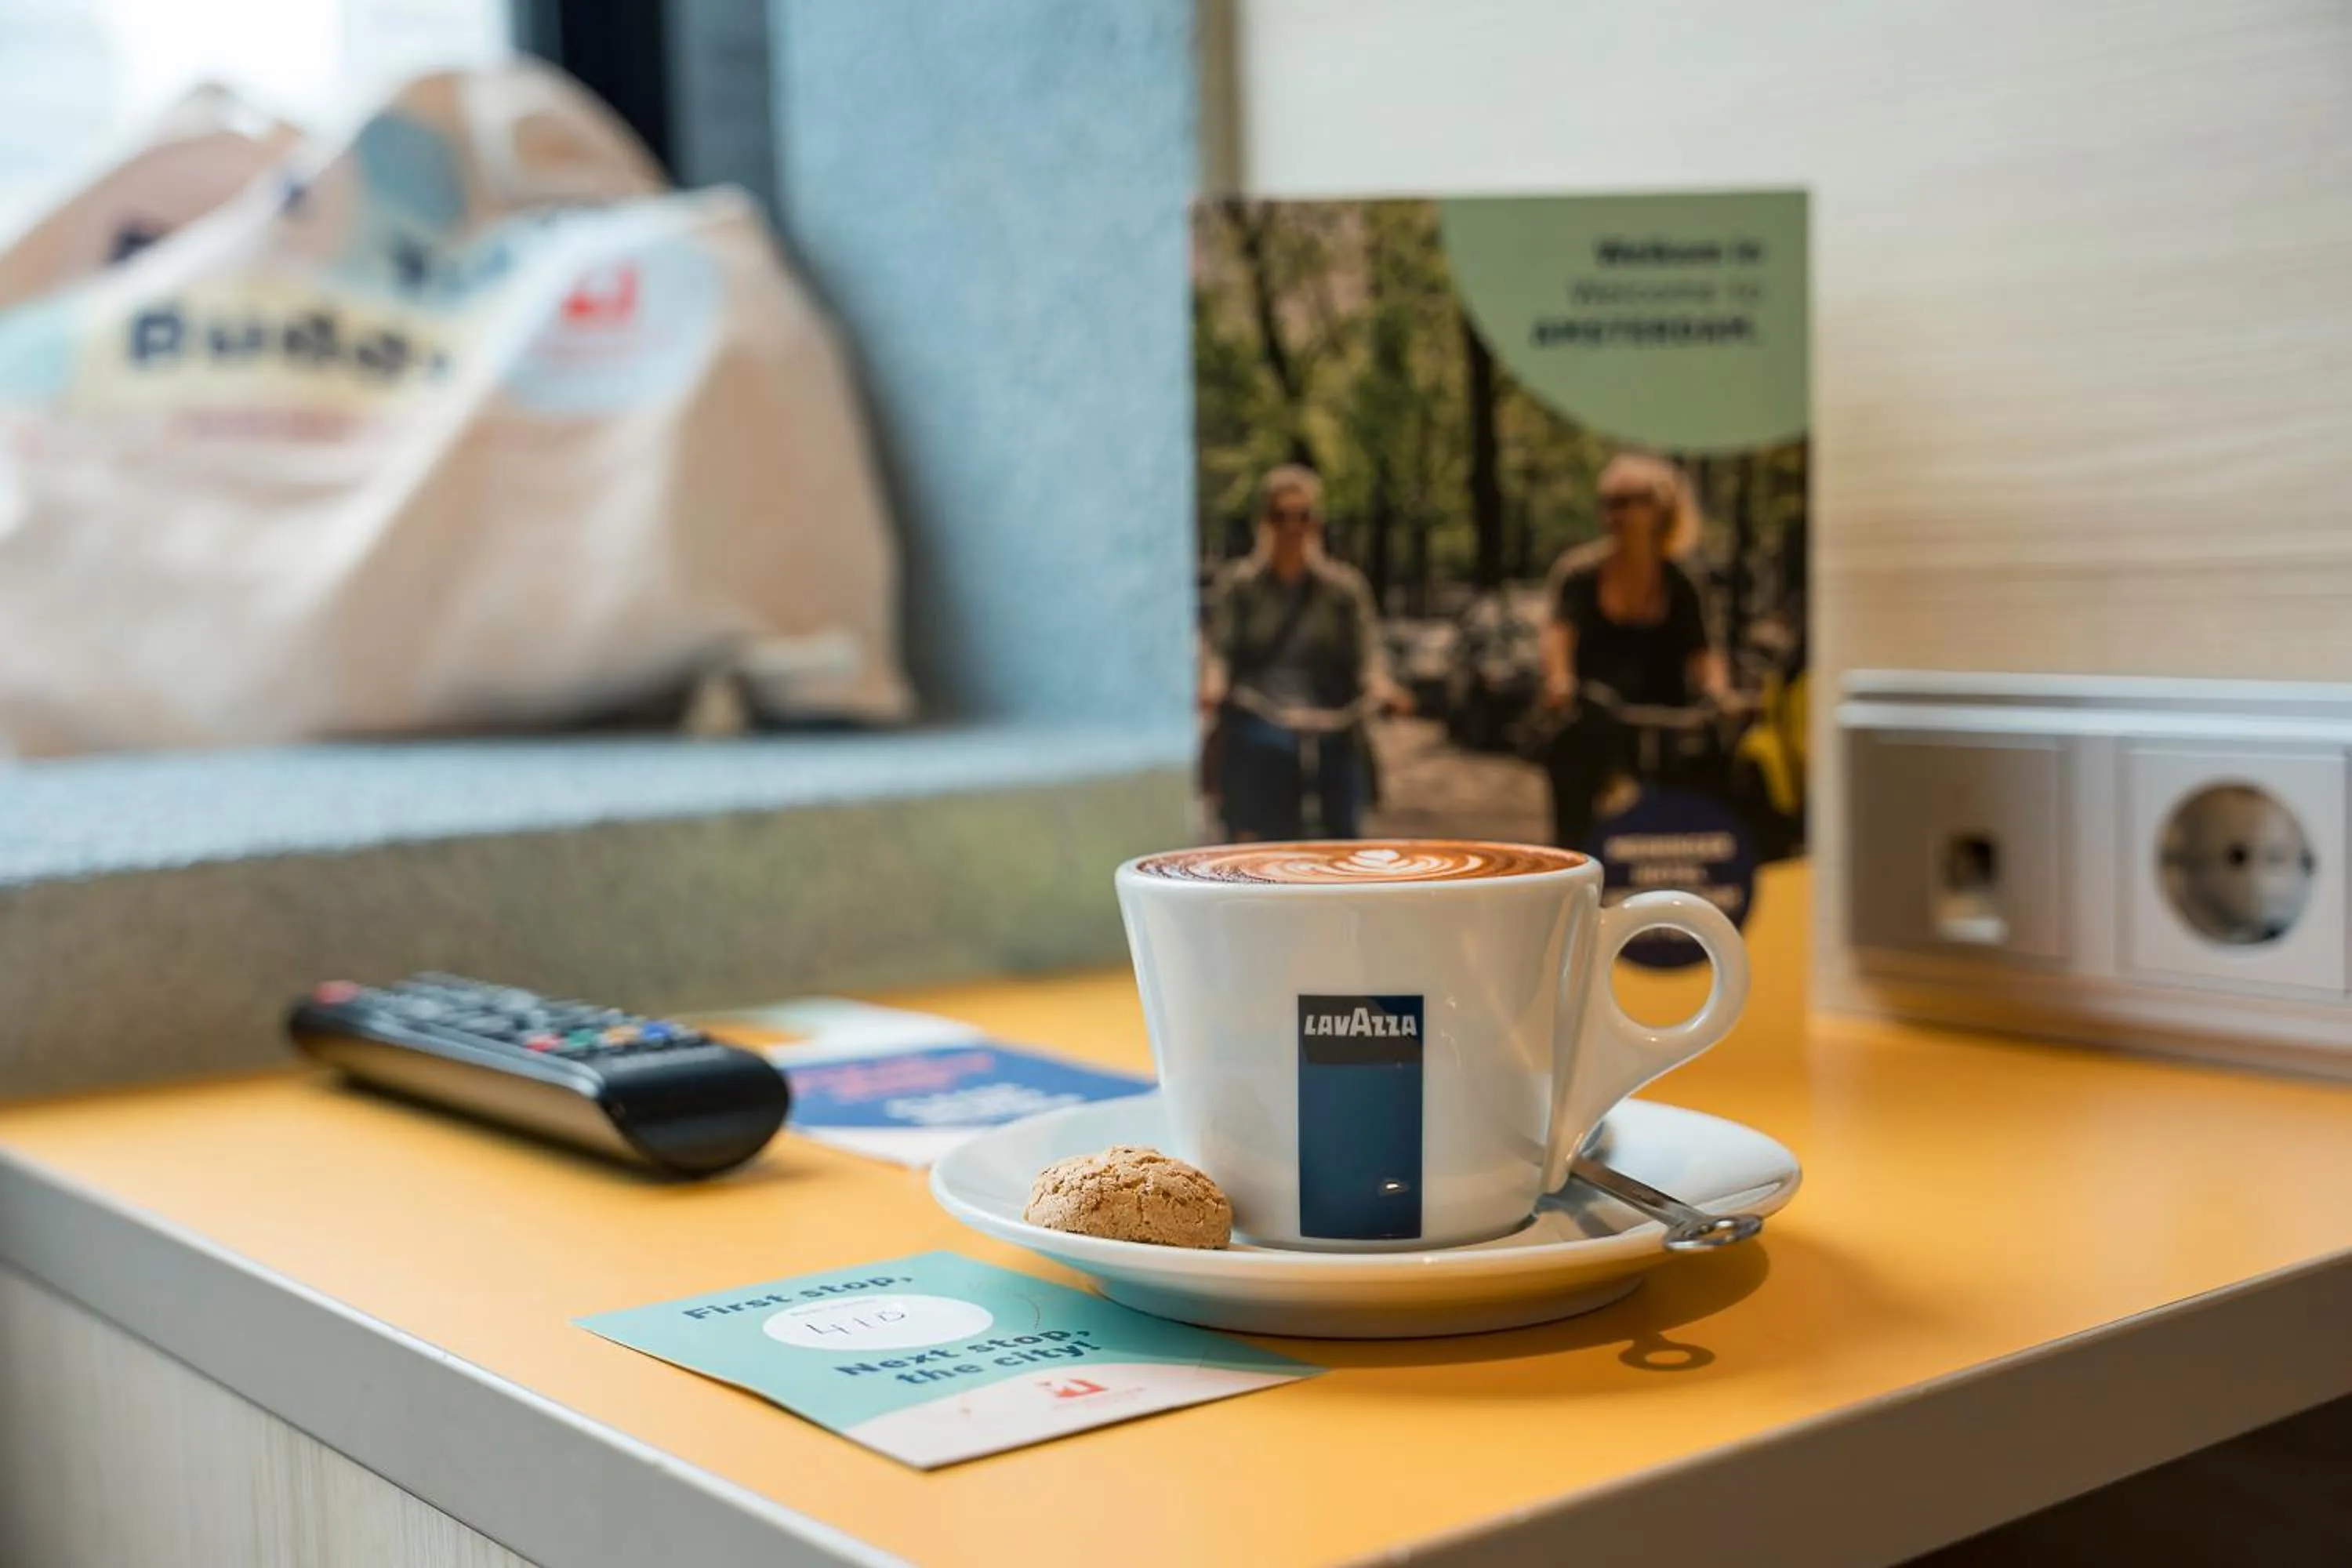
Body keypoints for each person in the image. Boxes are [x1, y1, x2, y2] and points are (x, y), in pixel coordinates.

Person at [1200, 464, 1408, 840]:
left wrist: (1381, 687)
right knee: (1263, 787)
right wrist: (1213, 686)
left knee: (1345, 812)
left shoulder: (1345, 589)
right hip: (1261, 713)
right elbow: (1221, 650)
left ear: (1317, 523)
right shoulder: (1240, 586)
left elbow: (1368, 652)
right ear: (1264, 522)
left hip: (1333, 717)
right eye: (1281, 517)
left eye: (1304, 517)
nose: (1293, 528)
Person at [1537, 453, 1730, 851]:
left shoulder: (1681, 583)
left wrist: (1718, 692)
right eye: (1608, 503)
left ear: (1659, 509)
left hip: (1661, 724)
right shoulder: (1580, 575)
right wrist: (1560, 681)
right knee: (1576, 834)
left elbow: (1702, 650)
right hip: (1591, 718)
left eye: (1627, 502)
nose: (1615, 514)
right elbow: (1558, 636)